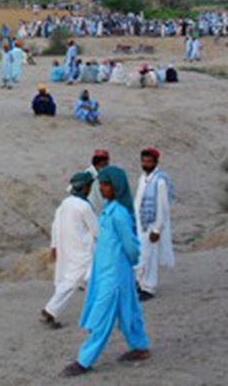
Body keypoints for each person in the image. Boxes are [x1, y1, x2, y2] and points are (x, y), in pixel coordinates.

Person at [62, 166, 150, 377]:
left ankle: (84, 360)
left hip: (115, 274)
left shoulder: (118, 214)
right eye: (101, 184)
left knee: (102, 316)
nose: (102, 189)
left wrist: (128, 262)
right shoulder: (109, 210)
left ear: (117, 186)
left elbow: (131, 245)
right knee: (129, 310)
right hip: (107, 272)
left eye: (107, 184)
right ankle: (140, 347)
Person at [41, 172, 98, 328]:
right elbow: (96, 230)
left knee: (78, 281)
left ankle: (52, 310)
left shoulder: (65, 203)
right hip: (84, 251)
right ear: (85, 187)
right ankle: (50, 310)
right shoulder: (85, 206)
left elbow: (55, 225)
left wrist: (54, 245)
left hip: (68, 249)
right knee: (77, 281)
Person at [134, 148, 175, 301]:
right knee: (141, 254)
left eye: (149, 162)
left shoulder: (160, 181)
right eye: (143, 161)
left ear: (156, 162)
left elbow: (163, 208)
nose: (146, 164)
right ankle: (140, 282)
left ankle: (149, 287)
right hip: (141, 224)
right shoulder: (143, 178)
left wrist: (157, 229)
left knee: (150, 255)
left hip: (152, 226)